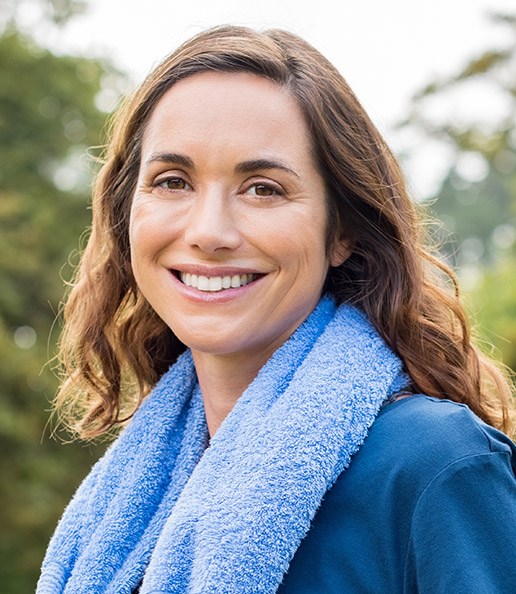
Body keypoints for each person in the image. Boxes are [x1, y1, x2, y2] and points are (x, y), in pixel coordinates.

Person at [37, 25, 515, 593]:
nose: (209, 231)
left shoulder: (436, 466)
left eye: (263, 188)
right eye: (172, 181)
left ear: (342, 232)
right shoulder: (134, 502)